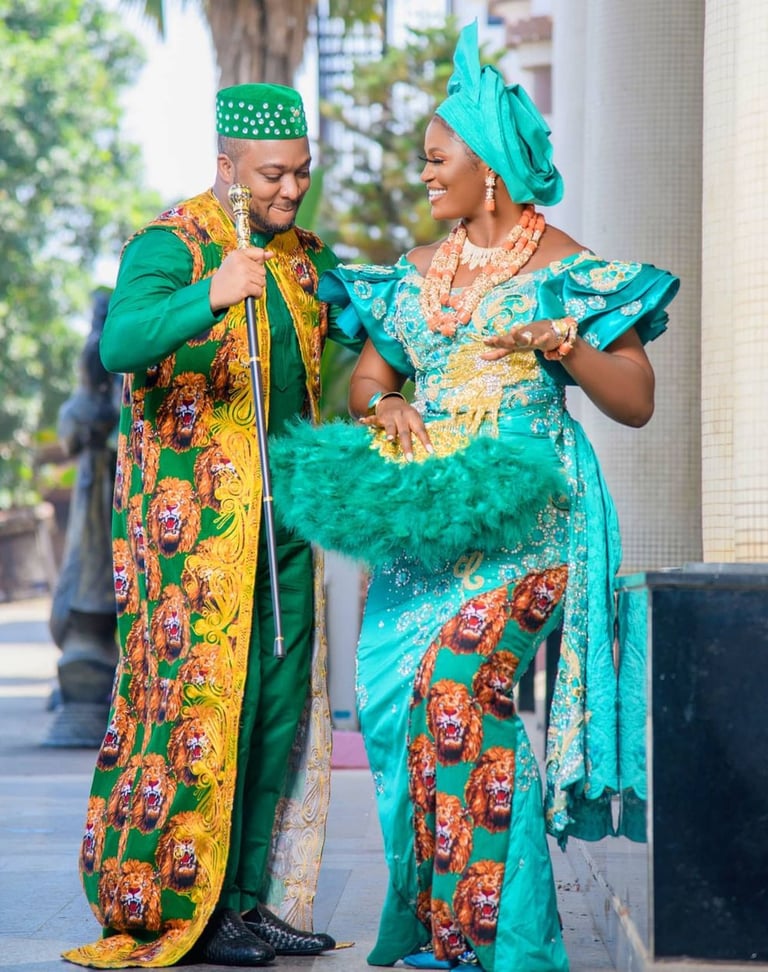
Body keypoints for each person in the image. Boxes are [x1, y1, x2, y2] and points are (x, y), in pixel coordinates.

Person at [268, 21, 679, 972]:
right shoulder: (414, 275)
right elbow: (367, 381)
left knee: (463, 689)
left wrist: (565, 344)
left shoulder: (570, 270)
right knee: (401, 715)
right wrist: (394, 404)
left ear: (488, 166)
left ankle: (513, 942)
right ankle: (450, 935)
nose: (424, 174)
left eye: (436, 158)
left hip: (532, 520)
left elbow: (639, 404)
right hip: (427, 525)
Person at [63, 83, 362, 969]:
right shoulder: (171, 244)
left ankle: (250, 901)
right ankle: (183, 901)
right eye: (273, 174)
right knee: (205, 713)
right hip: (190, 544)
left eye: (302, 173)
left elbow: (361, 336)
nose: (290, 190)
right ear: (226, 167)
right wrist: (214, 295)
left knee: (277, 716)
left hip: (287, 532)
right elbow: (123, 345)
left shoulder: (308, 259)